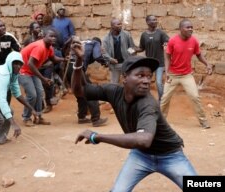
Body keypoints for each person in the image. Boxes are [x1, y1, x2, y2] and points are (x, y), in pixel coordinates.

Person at [70, 40, 197, 191]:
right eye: (140, 75)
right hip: (141, 156)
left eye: (149, 76)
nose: (146, 81)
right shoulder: (114, 92)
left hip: (170, 155)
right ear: (124, 78)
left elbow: (144, 140)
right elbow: (79, 91)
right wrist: (79, 61)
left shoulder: (148, 104)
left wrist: (97, 137)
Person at [160, 19, 213, 129]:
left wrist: (207, 63)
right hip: (173, 75)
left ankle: (203, 121)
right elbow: (167, 57)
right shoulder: (173, 41)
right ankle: (160, 121)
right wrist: (167, 71)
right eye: (187, 27)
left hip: (186, 75)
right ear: (181, 29)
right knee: (165, 99)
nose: (191, 29)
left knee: (195, 97)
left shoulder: (193, 41)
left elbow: (198, 54)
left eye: (191, 27)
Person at [18, 27, 65, 127]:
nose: (53, 38)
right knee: (32, 95)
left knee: (39, 93)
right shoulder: (40, 47)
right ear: (44, 36)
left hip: (31, 70)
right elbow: (31, 64)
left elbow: (53, 58)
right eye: (51, 36)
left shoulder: (49, 47)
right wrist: (43, 79)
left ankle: (38, 117)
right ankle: (26, 117)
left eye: (55, 37)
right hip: (22, 70)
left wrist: (64, 59)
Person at [66, 37, 108, 127]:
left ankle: (82, 117)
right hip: (77, 68)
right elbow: (97, 56)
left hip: (69, 67)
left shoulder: (84, 42)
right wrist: (105, 61)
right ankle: (96, 119)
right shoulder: (95, 43)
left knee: (80, 92)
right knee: (91, 91)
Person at [137, 15, 169, 102]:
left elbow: (168, 41)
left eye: (156, 20)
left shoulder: (161, 33)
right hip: (149, 63)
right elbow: (141, 48)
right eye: (153, 20)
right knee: (146, 81)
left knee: (158, 82)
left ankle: (161, 100)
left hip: (159, 63)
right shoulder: (144, 35)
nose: (155, 21)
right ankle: (146, 99)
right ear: (147, 22)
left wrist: (166, 44)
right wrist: (134, 50)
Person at [102, 18, 136, 84]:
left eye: (121, 24)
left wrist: (132, 57)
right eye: (118, 24)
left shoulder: (126, 34)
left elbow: (131, 47)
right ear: (112, 26)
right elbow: (104, 52)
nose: (121, 25)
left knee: (128, 83)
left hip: (126, 63)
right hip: (114, 65)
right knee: (114, 84)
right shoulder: (106, 38)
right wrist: (110, 59)